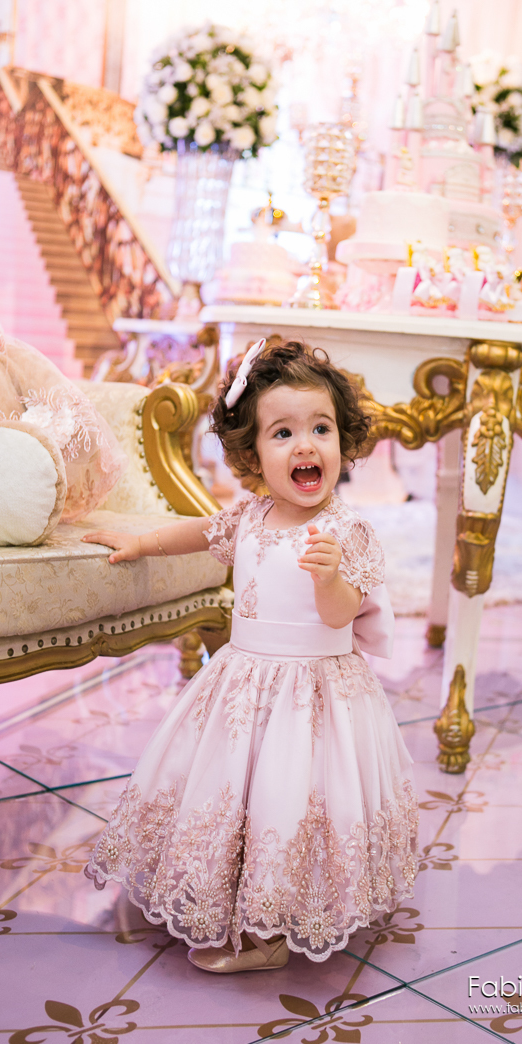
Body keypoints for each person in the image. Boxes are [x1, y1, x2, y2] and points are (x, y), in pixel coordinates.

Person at [82, 339, 417, 973]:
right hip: (243, 685)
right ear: (253, 453)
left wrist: (330, 578)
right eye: (282, 432)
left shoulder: (346, 531)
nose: (305, 446)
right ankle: (227, 883)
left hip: (315, 698)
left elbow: (342, 615)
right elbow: (200, 532)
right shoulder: (252, 517)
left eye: (321, 429)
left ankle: (271, 934)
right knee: (234, 792)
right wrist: (143, 541)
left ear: (343, 440)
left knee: (292, 799)